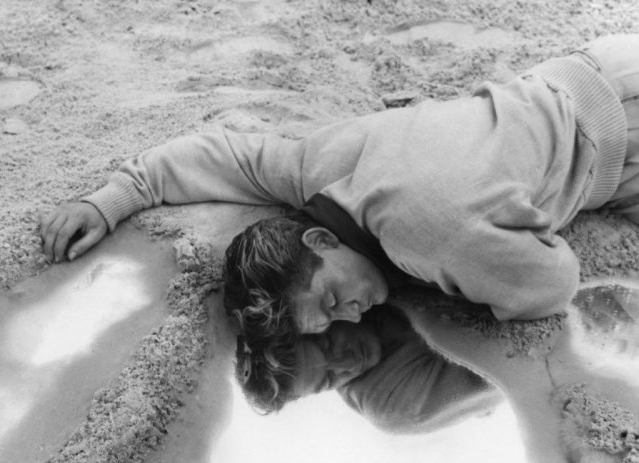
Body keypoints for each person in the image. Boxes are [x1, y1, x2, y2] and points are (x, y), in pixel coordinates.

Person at [40, 34, 639, 342]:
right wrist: (108, 201)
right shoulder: (314, 168)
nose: (352, 316)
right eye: (332, 323)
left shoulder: (432, 237)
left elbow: (550, 285)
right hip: (581, 77)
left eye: (331, 302)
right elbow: (215, 154)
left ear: (321, 241)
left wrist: (455, 274)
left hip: (618, 128)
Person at [237, 305, 501, 433]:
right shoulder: (394, 404)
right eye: (328, 380)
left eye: (327, 344)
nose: (349, 363)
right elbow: (507, 362)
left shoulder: (344, 291)